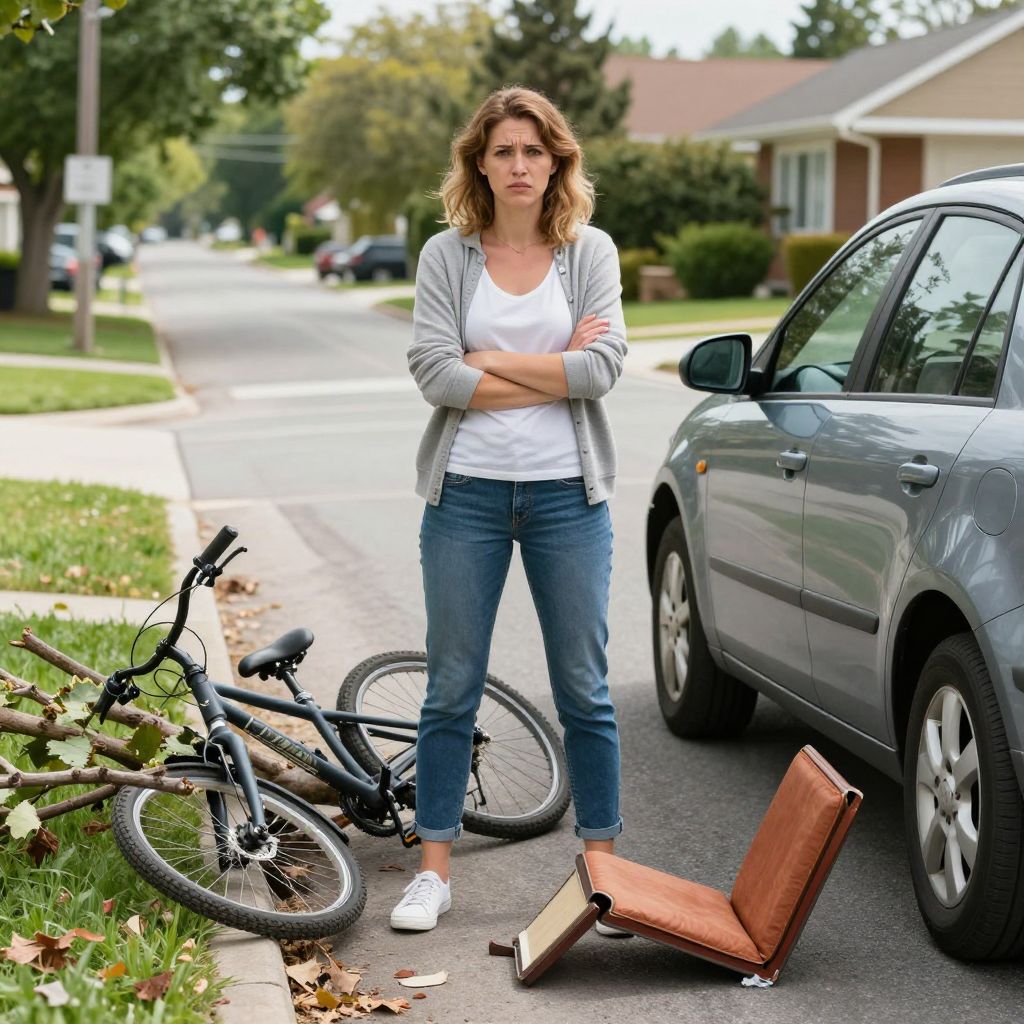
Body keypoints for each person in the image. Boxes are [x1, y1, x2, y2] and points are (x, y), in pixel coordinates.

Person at [395, 86, 628, 933]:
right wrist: (551, 367)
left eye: (535, 151)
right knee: (451, 688)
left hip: (569, 496)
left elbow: (602, 370)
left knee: (585, 691)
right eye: (504, 151)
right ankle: (432, 872)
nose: (520, 165)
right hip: (467, 496)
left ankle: (605, 872)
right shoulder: (446, 256)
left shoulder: (589, 251)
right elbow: (435, 374)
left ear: (557, 161)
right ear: (481, 164)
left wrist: (485, 357)